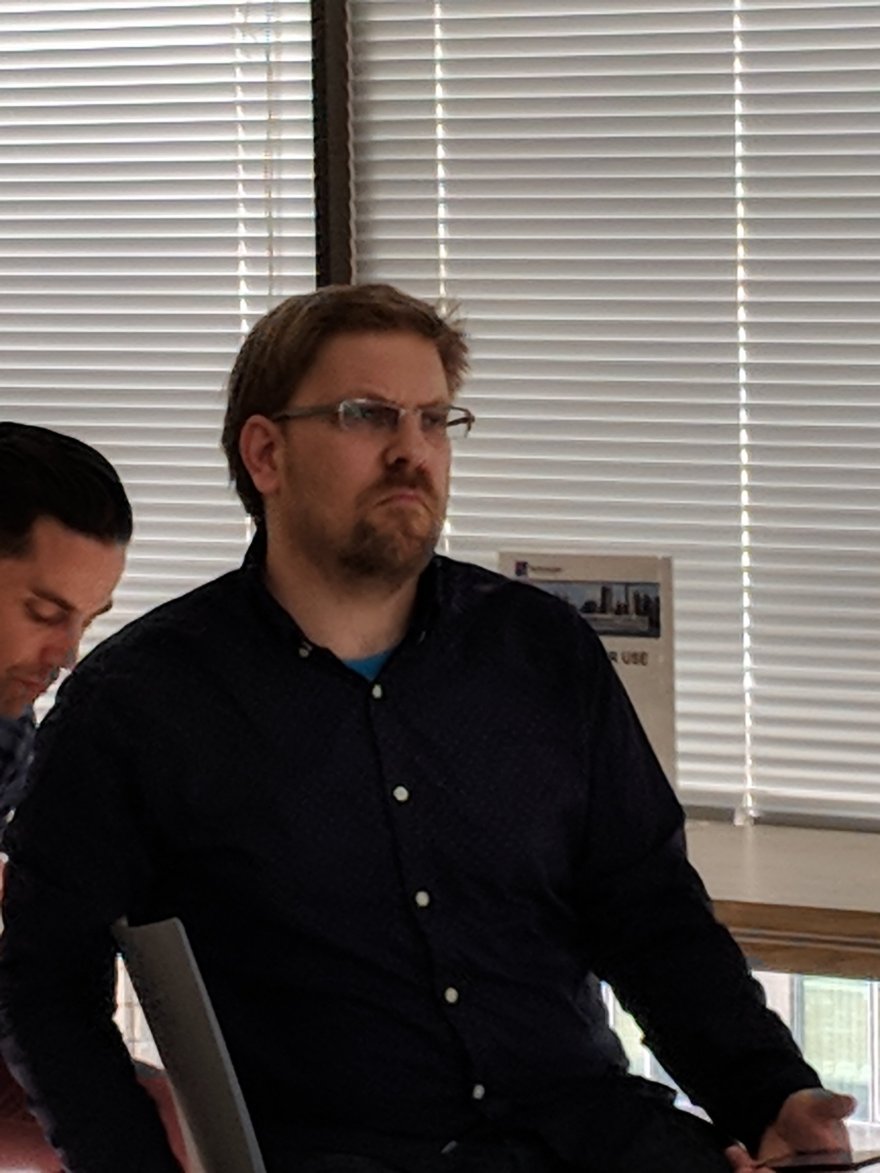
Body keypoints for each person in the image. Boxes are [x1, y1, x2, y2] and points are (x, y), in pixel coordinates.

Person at [0, 287, 854, 1173]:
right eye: (366, 415)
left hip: (595, 1141)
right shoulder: (137, 702)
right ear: (266, 453)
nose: (412, 449)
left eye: (435, 419)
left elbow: (651, 914)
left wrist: (769, 1095)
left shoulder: (542, 650)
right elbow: (47, 991)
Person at [0, 421, 186, 1169]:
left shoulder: (11, 724)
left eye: (86, 620)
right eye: (46, 614)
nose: (68, 655)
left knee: (161, 1120)